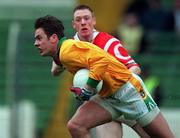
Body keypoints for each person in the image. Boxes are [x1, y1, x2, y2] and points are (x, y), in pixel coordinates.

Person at [34, 15, 174, 138]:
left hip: (129, 92)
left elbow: (101, 60)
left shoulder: (67, 51)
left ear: (53, 38)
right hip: (108, 97)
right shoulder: (63, 53)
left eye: (39, 38)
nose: (36, 43)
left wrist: (88, 88)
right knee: (75, 126)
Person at [51, 4, 149, 138]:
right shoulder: (70, 46)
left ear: (94, 21)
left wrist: (123, 88)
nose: (83, 22)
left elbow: (134, 68)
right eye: (79, 20)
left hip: (123, 99)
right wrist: (59, 61)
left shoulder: (108, 42)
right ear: (74, 24)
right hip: (100, 103)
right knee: (77, 126)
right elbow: (54, 71)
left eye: (86, 18)